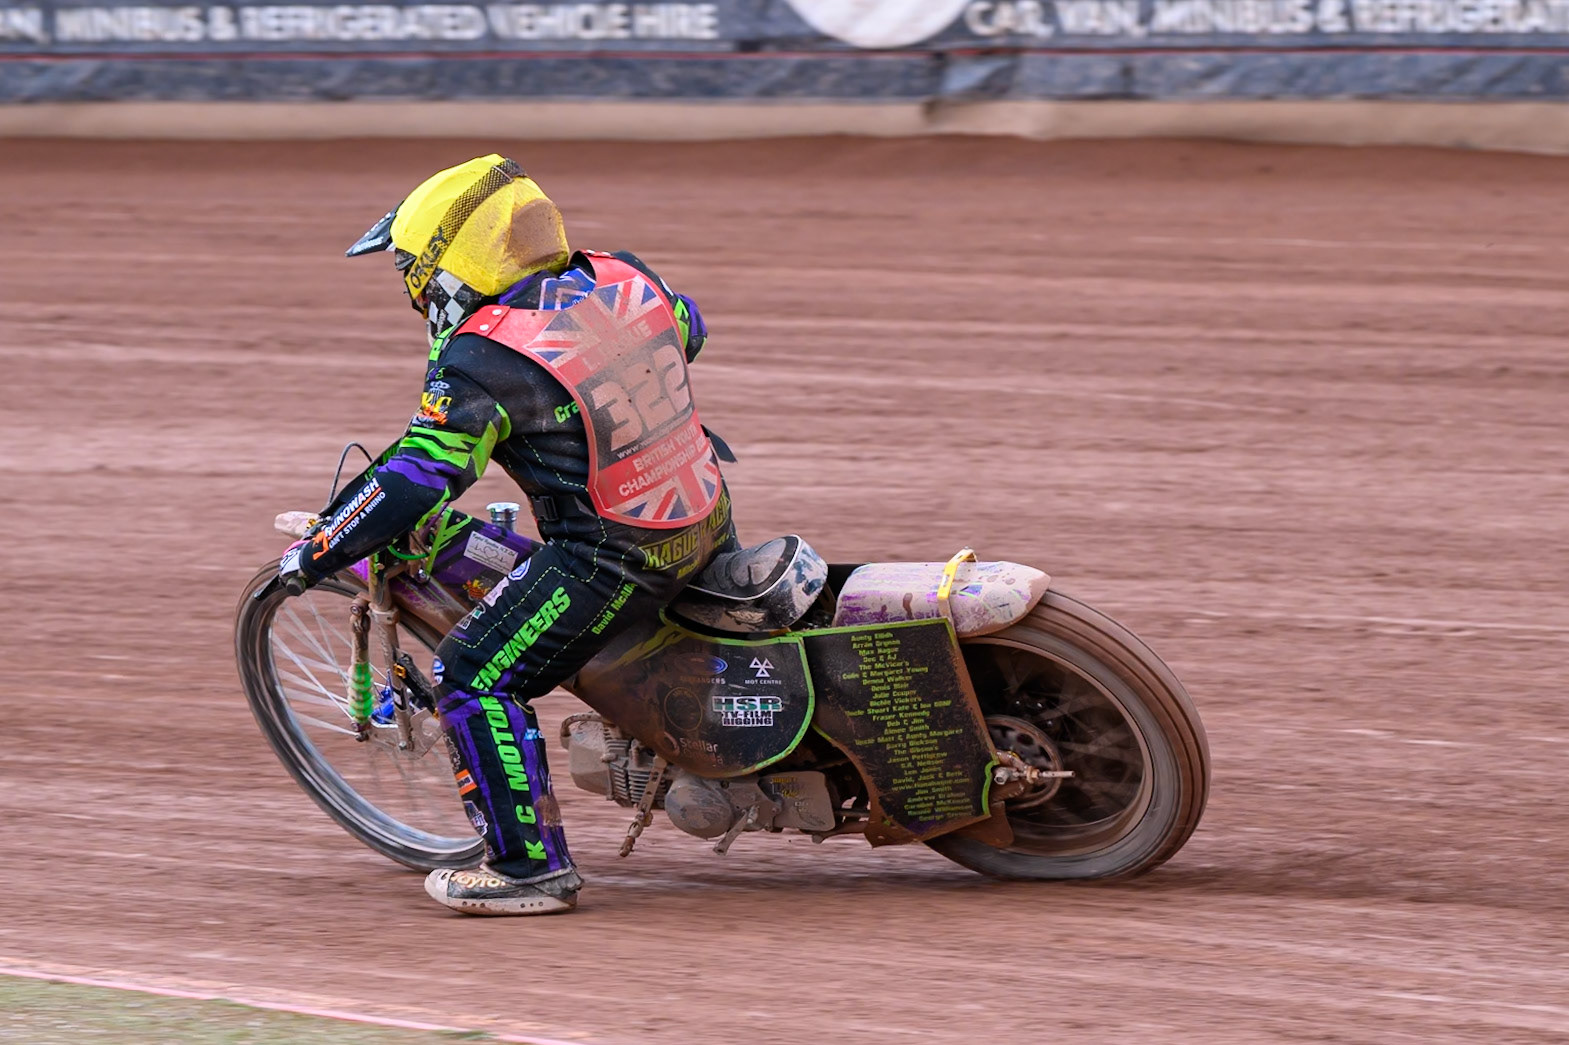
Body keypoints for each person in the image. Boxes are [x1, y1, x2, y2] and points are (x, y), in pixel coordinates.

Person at [277, 154, 736, 915]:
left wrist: (320, 549)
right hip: (703, 517)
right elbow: (689, 327)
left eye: (407, 268)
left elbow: (418, 477)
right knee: (498, 554)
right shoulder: (624, 274)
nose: (407, 287)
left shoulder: (483, 360)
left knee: (473, 674)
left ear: (445, 266)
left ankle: (528, 869)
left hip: (612, 560)